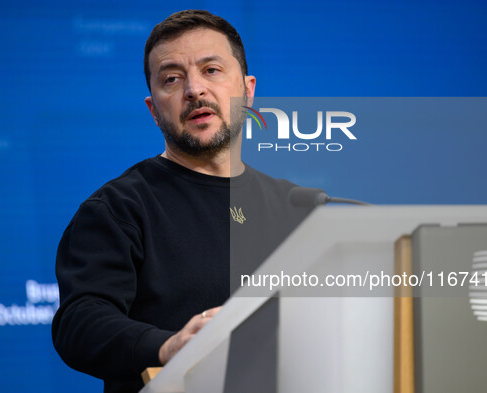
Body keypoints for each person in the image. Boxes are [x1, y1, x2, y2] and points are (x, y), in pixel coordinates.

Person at [52, 10, 311, 393]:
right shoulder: (117, 209)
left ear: (248, 90)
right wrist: (167, 346)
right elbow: (80, 322)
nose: (194, 90)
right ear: (154, 110)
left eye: (212, 70)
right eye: (172, 79)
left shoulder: (296, 206)